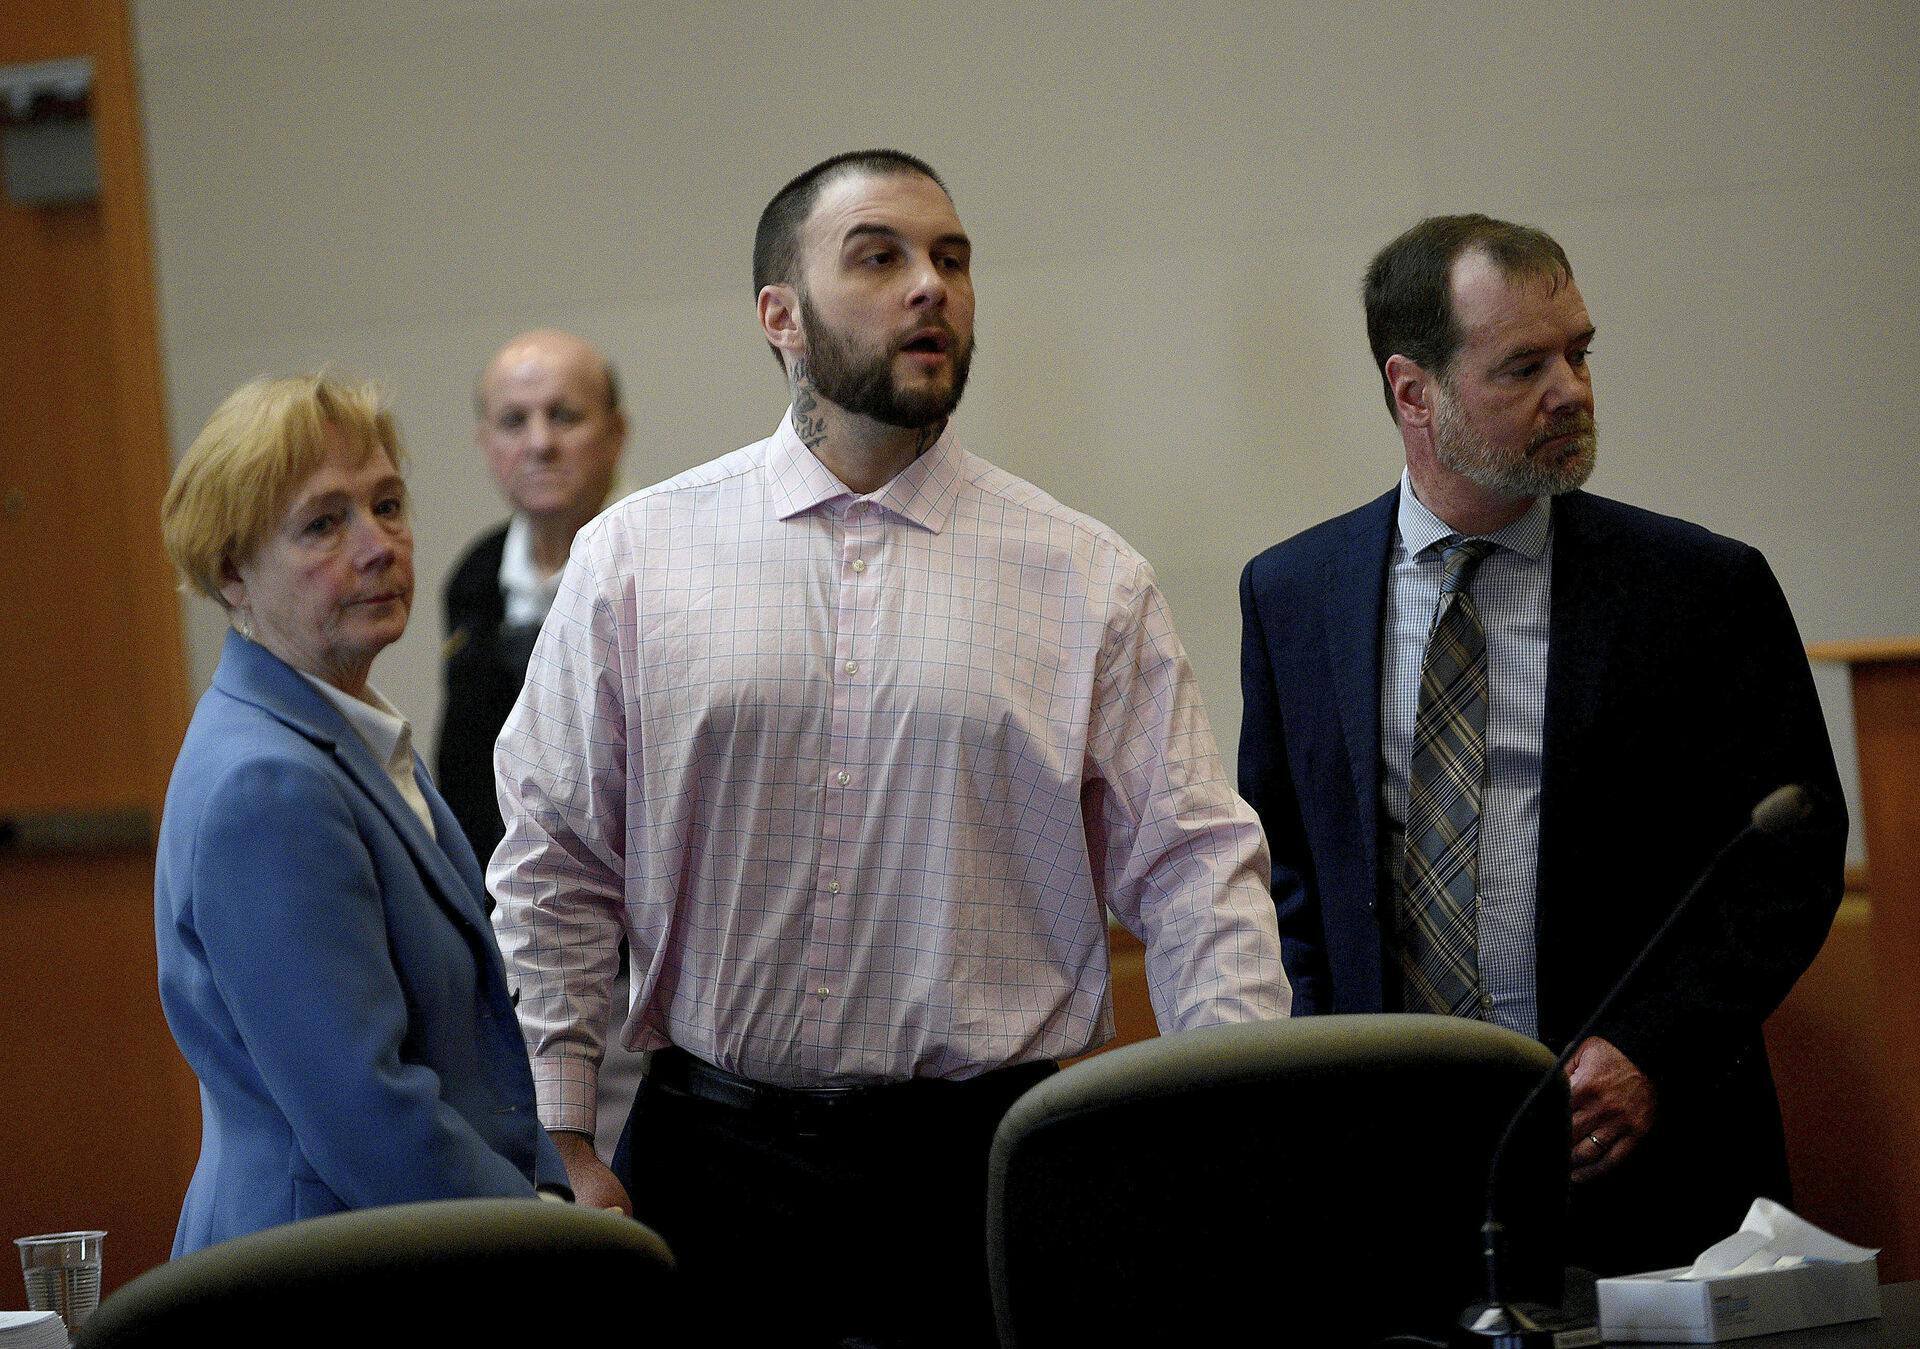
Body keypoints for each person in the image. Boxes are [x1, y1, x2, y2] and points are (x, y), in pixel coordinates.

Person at [492, 149, 1288, 1346]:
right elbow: (555, 859)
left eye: (953, 260)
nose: (932, 287)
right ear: (781, 317)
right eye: (881, 257)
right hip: (714, 1167)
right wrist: (560, 1135)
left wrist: (1228, 1132)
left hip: (992, 1167)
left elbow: (1195, 869)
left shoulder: (1084, 577)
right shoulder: (636, 560)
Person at [1237, 213, 1845, 1275]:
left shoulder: (1700, 590)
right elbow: (1280, 866)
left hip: (1650, 1168)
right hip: (1392, 1181)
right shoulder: (1292, 595)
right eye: (1524, 366)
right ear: (1412, 390)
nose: (1572, 389)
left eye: (1580, 351)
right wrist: (1325, 1076)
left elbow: (1785, 861)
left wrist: (1657, 1048)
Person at [156, 374, 568, 1255]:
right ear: (232, 571)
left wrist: (550, 1181)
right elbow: (365, 1111)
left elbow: (470, 1044)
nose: (378, 545)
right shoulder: (267, 784)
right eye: (324, 523)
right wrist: (542, 1233)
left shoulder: (340, 727)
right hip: (320, 1277)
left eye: (387, 504)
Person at [437, 329, 643, 1160]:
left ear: (616, 431)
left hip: (620, 971)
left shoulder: (650, 558)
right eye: (514, 420)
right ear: (486, 443)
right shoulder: (475, 574)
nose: (540, 441)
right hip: (498, 953)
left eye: (565, 415)